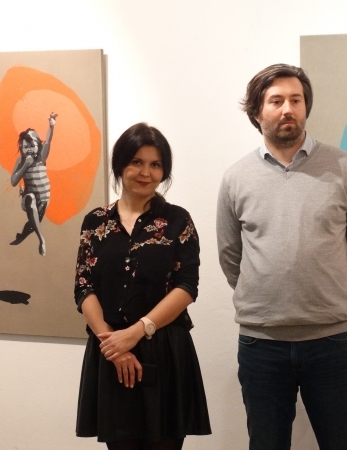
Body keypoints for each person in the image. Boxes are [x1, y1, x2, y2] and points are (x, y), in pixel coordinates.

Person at [217, 63, 347, 450]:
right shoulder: (236, 177)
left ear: (306, 107)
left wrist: (330, 292)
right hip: (261, 345)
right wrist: (268, 295)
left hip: (331, 341)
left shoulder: (345, 168)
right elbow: (230, 256)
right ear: (257, 112)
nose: (288, 108)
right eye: (276, 101)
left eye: (296, 99)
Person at [74, 123, 211, 449]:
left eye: (155, 164)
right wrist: (113, 344)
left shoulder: (178, 220)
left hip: (164, 350)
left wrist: (136, 332)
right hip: (110, 351)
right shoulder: (96, 221)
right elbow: (83, 286)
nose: (146, 172)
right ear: (120, 164)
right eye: (137, 162)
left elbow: (186, 286)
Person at [10, 112, 57, 256]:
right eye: (26, 147)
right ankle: (41, 240)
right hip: (29, 198)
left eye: (32, 146)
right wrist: (25, 166)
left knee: (32, 224)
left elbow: (48, 141)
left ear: (38, 146)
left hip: (44, 199)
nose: (29, 150)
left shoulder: (42, 158)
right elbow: (13, 181)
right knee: (30, 199)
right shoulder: (21, 161)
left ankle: (22, 235)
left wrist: (51, 126)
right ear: (21, 147)